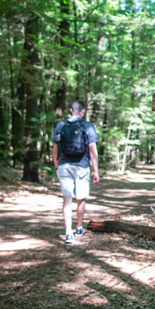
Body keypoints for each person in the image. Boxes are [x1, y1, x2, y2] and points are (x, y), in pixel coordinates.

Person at [52, 101, 100, 244]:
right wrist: (96, 171)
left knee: (67, 200)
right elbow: (93, 150)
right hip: (82, 166)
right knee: (81, 199)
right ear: (83, 112)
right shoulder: (88, 126)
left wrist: (56, 165)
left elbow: (55, 149)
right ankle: (79, 228)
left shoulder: (61, 125)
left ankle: (68, 234)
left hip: (64, 165)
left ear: (71, 110)